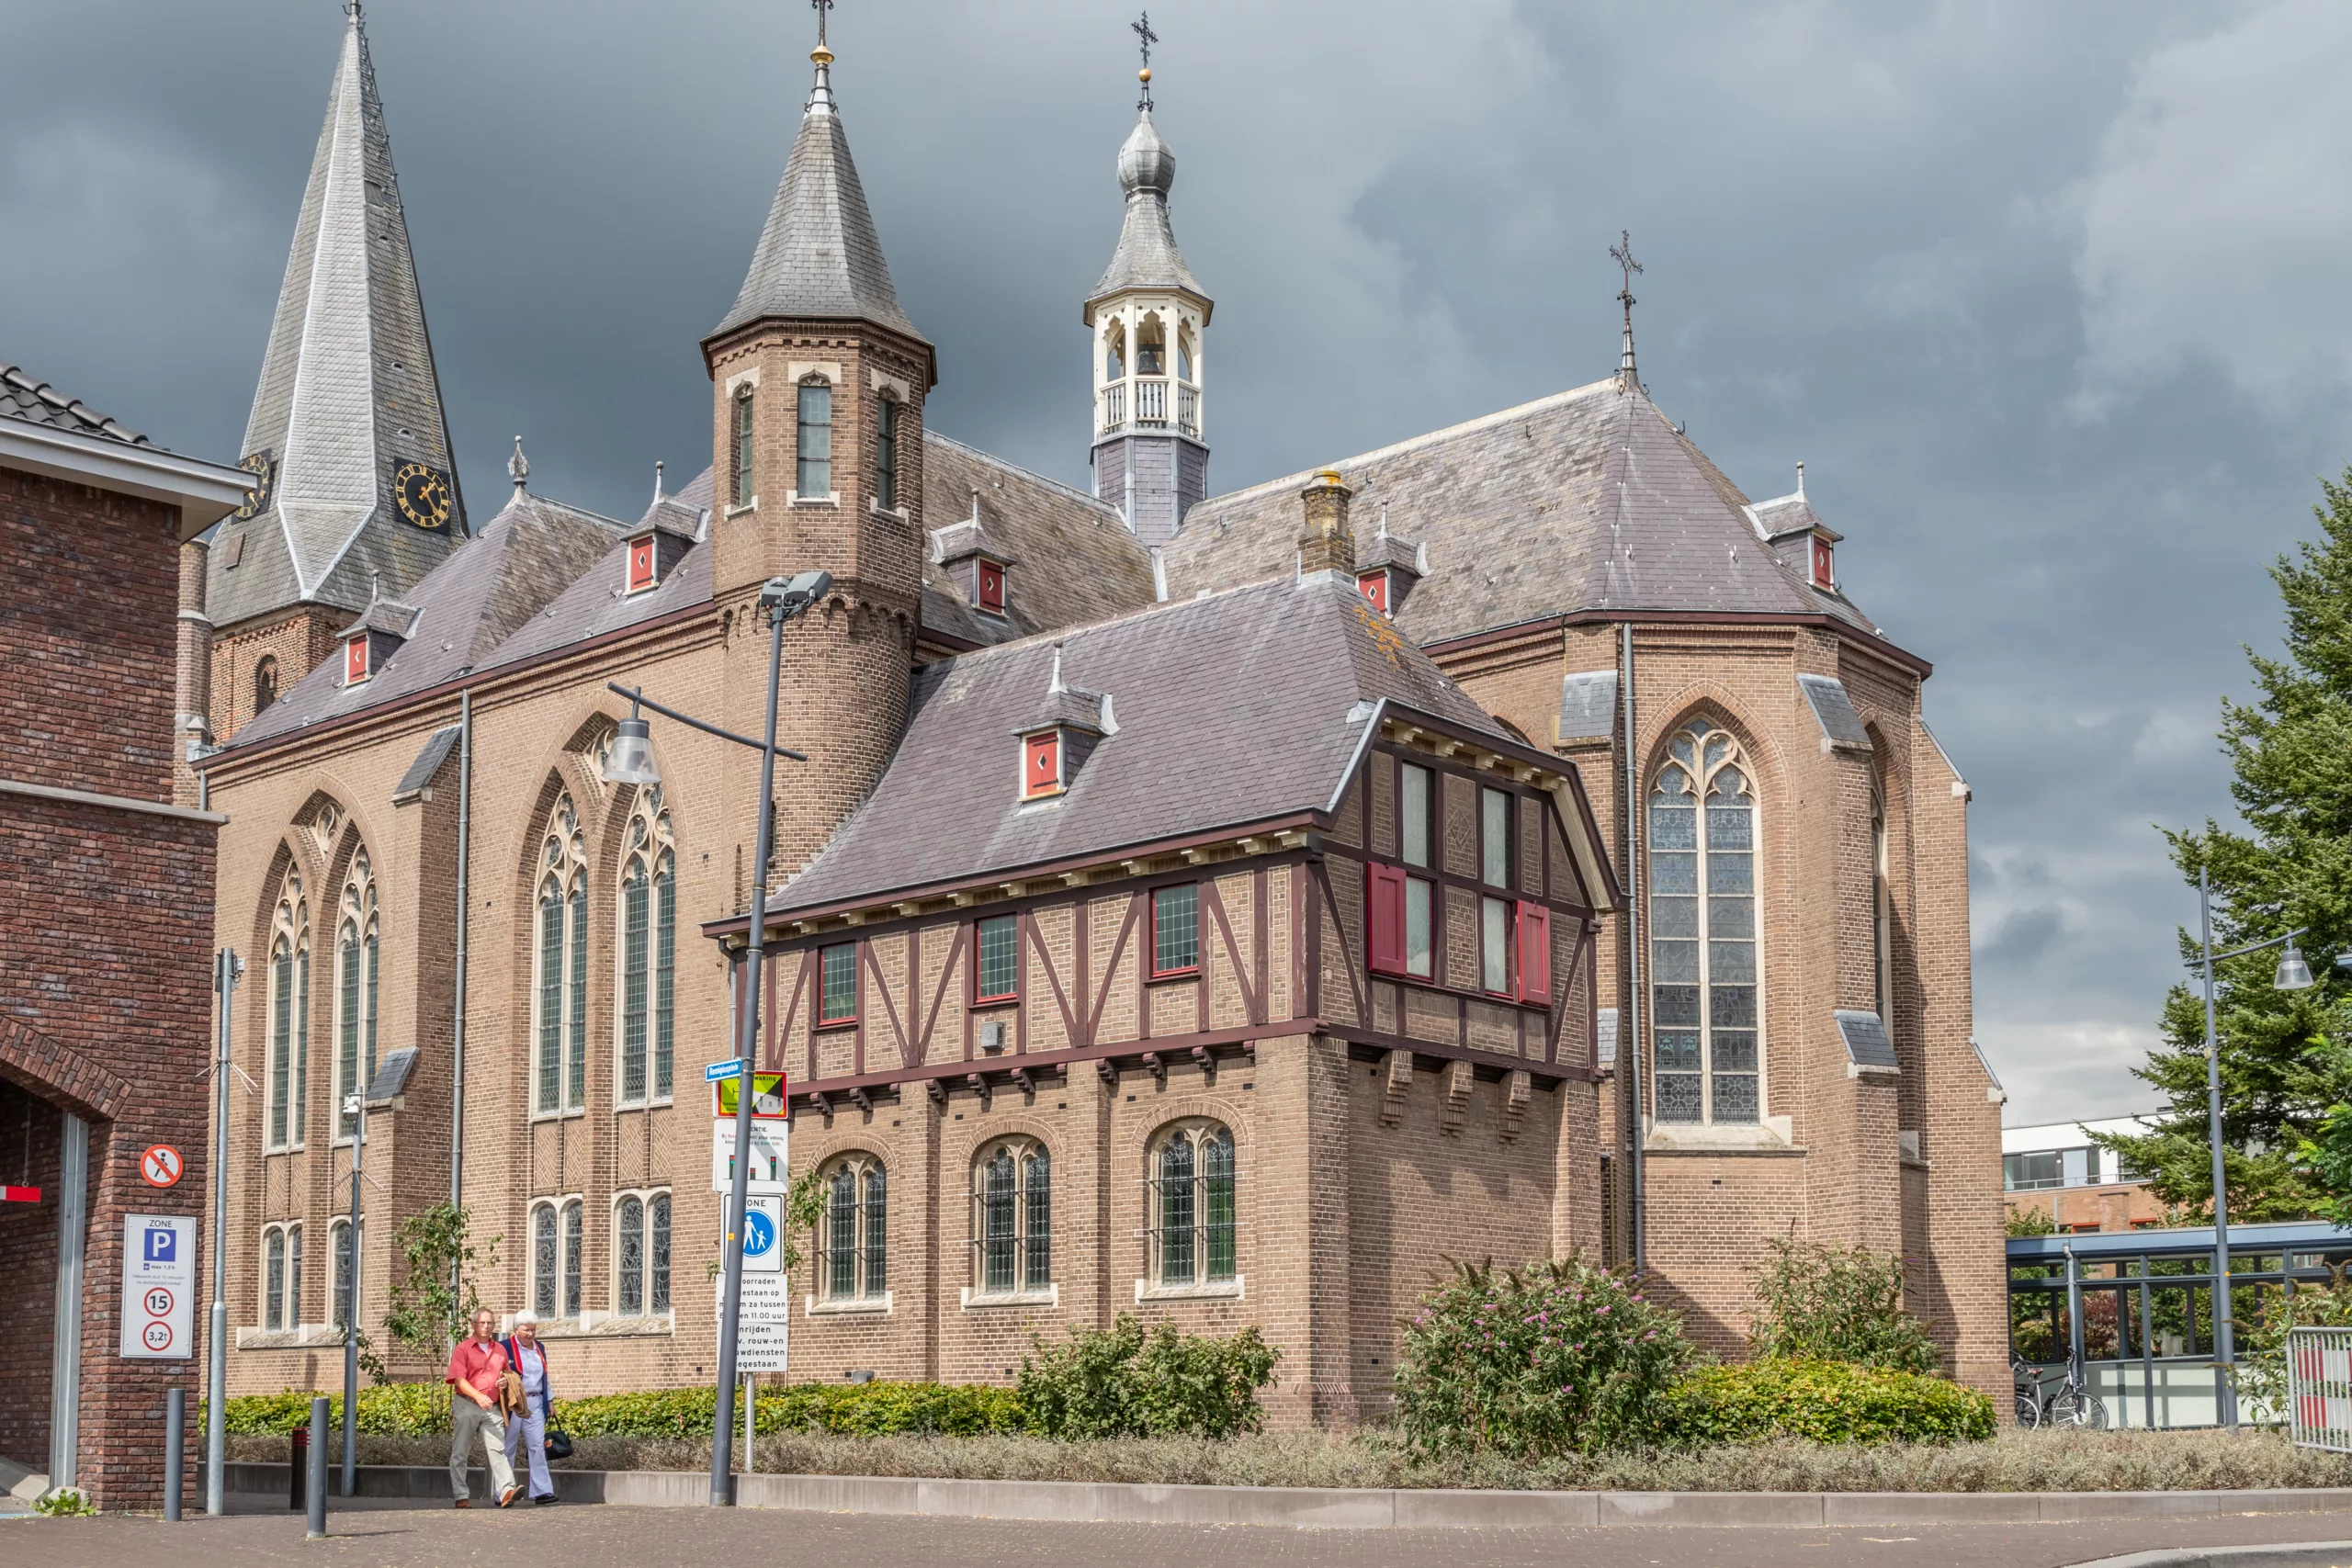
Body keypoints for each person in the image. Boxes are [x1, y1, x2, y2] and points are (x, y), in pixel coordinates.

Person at [445, 1307, 520, 1508]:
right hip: (467, 1405)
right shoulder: (463, 1349)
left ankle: (507, 1492)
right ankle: (461, 1495)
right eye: (482, 1323)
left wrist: (505, 1381)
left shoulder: (500, 1350)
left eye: (490, 1323)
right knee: (460, 1452)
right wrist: (477, 1395)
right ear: (473, 1325)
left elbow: (507, 1374)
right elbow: (459, 1380)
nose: (487, 1327)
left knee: (498, 1450)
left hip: (492, 1407)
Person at [501, 1310, 560, 1505]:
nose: (531, 1334)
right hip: (514, 1402)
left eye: (534, 1330)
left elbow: (544, 1376)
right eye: (527, 1330)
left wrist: (549, 1400)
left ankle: (542, 1491)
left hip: (536, 1401)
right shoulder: (504, 1348)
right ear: (516, 1329)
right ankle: (503, 1492)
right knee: (508, 1447)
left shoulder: (539, 1347)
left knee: (537, 1446)